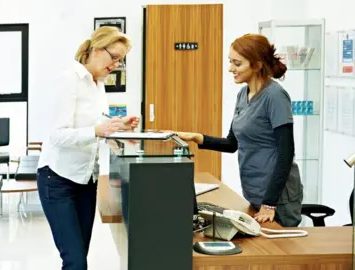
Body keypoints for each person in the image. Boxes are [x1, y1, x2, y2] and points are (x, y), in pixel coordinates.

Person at [170, 34, 303, 227]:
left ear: (257, 65)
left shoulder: (275, 96)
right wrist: (196, 137)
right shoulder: (243, 94)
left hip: (276, 198)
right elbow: (232, 143)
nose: (231, 68)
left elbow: (286, 152)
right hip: (254, 191)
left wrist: (269, 203)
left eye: (237, 63)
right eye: (230, 62)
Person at [37, 26, 139, 270]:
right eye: (113, 57)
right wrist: (97, 130)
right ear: (95, 49)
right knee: (75, 261)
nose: (116, 64)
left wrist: (117, 128)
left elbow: (94, 125)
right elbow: (56, 135)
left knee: (80, 256)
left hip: (86, 179)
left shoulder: (98, 84)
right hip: (57, 179)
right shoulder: (68, 80)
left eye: (120, 60)